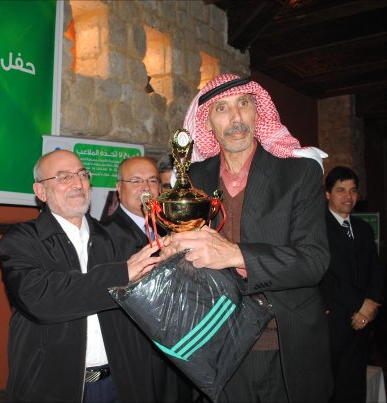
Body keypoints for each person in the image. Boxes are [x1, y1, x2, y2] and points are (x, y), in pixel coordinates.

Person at [166, 74, 333, 402]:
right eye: (222, 109)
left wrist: (235, 254)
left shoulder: (298, 173)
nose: (236, 118)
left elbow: (314, 261)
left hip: (282, 347)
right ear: (207, 123)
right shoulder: (193, 179)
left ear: (258, 112)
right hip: (216, 346)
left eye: (244, 104)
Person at [0, 149, 174, 402]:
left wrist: (171, 265)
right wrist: (121, 273)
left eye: (82, 174)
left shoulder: (111, 239)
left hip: (117, 385)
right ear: (41, 191)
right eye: (64, 177)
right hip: (52, 389)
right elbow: (39, 298)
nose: (78, 183)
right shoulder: (22, 240)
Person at [101, 156, 194, 402]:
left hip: (181, 348)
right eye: (136, 181)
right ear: (119, 188)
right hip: (138, 351)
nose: (146, 188)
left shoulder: (174, 228)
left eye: (152, 181)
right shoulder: (103, 236)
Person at [320, 166, 384, 402]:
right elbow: (324, 275)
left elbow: (376, 271)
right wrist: (360, 303)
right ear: (327, 194)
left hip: (361, 328)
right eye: (341, 190)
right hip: (331, 329)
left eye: (353, 190)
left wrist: (371, 306)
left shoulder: (364, 229)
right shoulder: (316, 228)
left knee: (354, 393)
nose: (348, 196)